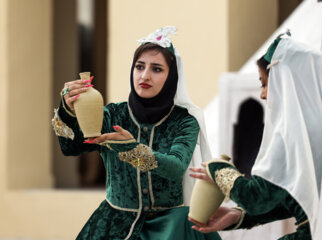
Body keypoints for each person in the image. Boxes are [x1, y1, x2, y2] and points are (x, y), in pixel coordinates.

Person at [52, 26, 221, 240]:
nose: (145, 76)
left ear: (172, 77)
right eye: (139, 67)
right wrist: (66, 110)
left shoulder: (185, 121)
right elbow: (70, 148)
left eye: (157, 69)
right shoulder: (113, 115)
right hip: (113, 225)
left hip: (172, 228)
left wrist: (131, 149)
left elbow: (176, 167)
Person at [189, 34, 322, 240]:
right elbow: (302, 199)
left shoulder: (292, 134)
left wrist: (217, 170)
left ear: (287, 82)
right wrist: (239, 216)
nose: (263, 94)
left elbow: (256, 198)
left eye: (265, 83)